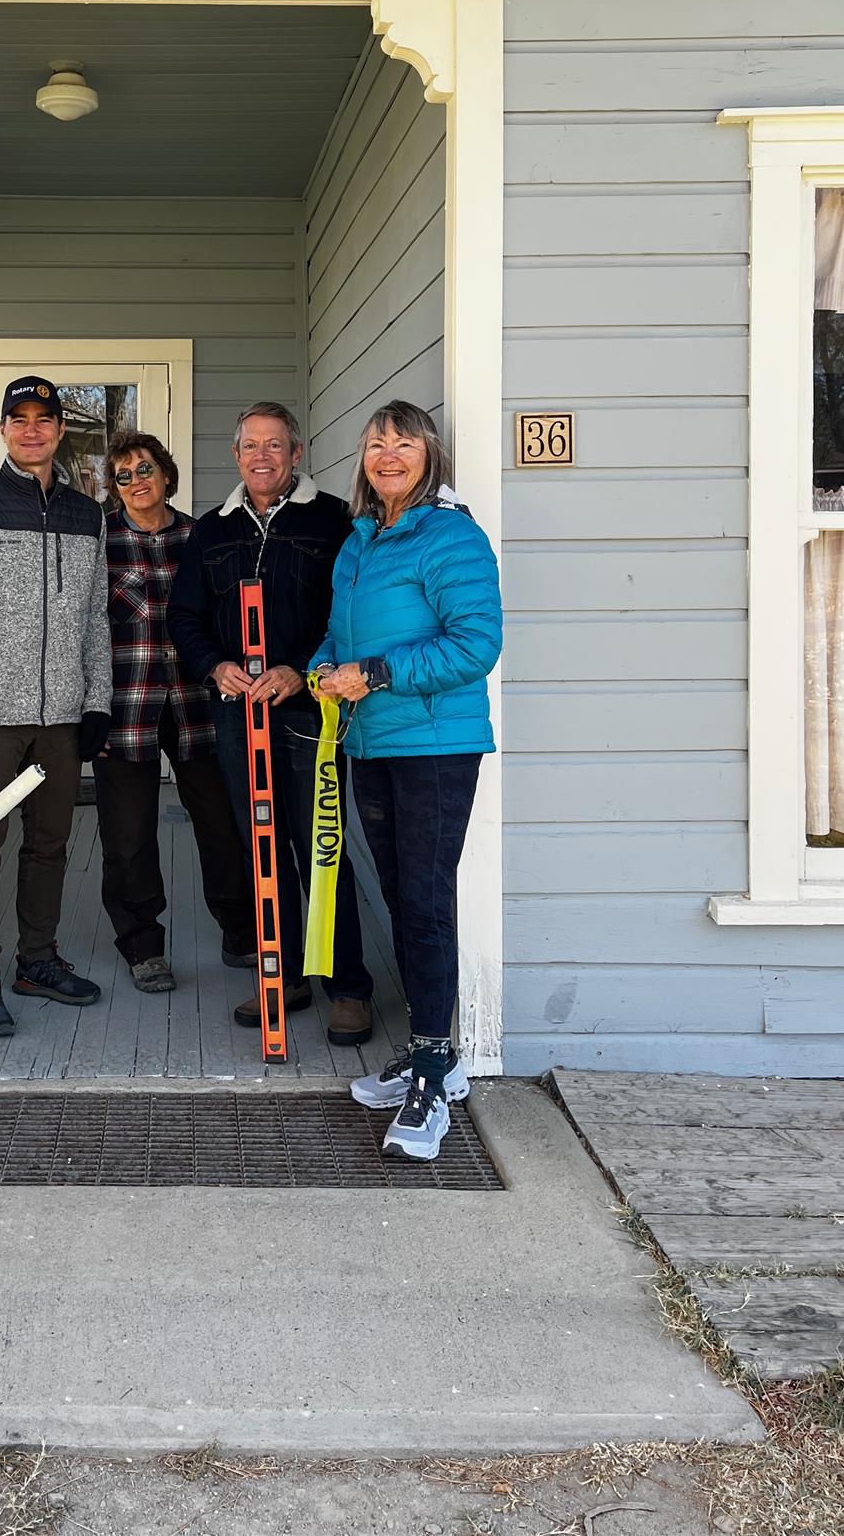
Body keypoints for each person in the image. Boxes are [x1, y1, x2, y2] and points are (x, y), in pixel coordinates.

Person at [311, 400, 501, 1161]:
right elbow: (341, 634)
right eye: (375, 444)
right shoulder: (360, 540)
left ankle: (431, 1072)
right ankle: (437, 1057)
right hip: (372, 742)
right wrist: (325, 667)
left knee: (424, 905)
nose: (387, 455)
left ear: (429, 455)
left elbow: (475, 645)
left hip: (434, 747)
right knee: (399, 896)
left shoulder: (450, 536)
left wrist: (377, 673)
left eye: (403, 443)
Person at [168, 401, 376, 1044]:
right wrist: (215, 666)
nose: (262, 456)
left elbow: (348, 613)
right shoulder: (211, 531)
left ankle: (347, 987)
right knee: (262, 846)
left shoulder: (334, 521)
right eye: (251, 446)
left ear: (297, 453)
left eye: (275, 445)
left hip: (310, 712)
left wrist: (299, 669)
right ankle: (282, 978)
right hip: (239, 715)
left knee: (321, 849)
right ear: (236, 455)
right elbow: (185, 617)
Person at [0, 375, 112, 1037]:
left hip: (62, 719)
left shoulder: (87, 514)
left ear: (60, 430)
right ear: (4, 428)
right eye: (19, 419)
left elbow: (94, 618)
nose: (31, 430)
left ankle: (37, 959)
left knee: (49, 846)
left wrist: (96, 702)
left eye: (44, 419)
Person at [94, 429, 256, 993]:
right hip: (125, 704)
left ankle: (241, 932)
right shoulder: (99, 541)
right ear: (114, 488)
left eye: (145, 469)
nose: (136, 481)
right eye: (123, 475)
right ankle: (142, 946)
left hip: (200, 702)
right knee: (128, 834)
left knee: (222, 822)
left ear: (166, 474)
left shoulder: (201, 536)